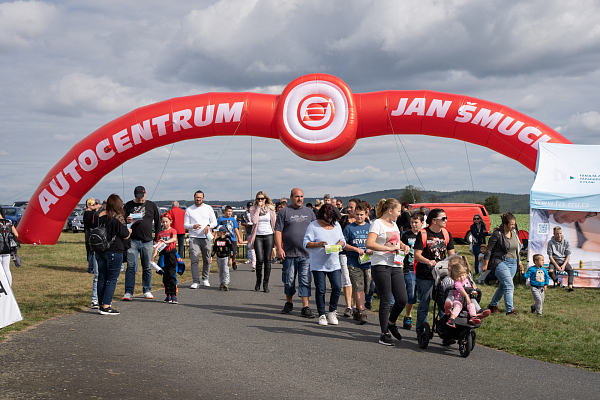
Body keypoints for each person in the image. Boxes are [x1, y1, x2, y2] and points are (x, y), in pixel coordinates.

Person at [366, 198, 411, 346]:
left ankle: (391, 323)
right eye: (398, 211)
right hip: (380, 265)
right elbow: (370, 243)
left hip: (395, 265)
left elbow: (396, 241)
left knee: (402, 299)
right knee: (385, 299)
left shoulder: (394, 224)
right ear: (390, 211)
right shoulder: (377, 223)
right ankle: (384, 333)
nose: (400, 214)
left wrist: (404, 246)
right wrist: (389, 248)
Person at [276, 188, 317, 318]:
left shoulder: (309, 212)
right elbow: (278, 231)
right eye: (296, 196)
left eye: (301, 196)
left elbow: (316, 230)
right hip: (289, 253)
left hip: (306, 253)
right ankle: (289, 303)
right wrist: (279, 248)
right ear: (291, 197)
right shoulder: (284, 211)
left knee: (305, 280)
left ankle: (305, 307)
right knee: (289, 280)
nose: (299, 199)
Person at [303, 204, 346, 326]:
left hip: (334, 263)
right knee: (321, 290)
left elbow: (343, 240)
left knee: (337, 287)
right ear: (322, 215)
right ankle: (322, 314)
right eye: (327, 217)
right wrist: (318, 244)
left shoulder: (336, 225)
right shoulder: (313, 226)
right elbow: (305, 243)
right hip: (318, 264)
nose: (329, 220)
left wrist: (341, 243)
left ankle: (332, 311)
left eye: (332, 218)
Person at [414, 208, 455, 334]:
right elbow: (417, 255)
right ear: (433, 220)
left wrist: (453, 264)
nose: (446, 220)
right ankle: (421, 331)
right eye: (443, 218)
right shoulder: (423, 234)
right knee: (424, 305)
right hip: (425, 275)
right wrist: (428, 261)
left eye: (446, 218)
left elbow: (451, 255)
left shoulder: (446, 234)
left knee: (444, 305)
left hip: (441, 275)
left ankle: (444, 332)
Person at [122, 186, 161, 301]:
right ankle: (128, 292)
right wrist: (126, 220)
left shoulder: (151, 205)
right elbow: (121, 220)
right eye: (138, 197)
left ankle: (147, 290)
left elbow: (158, 222)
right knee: (130, 267)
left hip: (147, 241)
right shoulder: (128, 205)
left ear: (145, 194)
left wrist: (156, 237)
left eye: (142, 196)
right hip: (132, 240)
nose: (140, 199)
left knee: (147, 267)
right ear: (134, 195)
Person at [96, 194, 131, 315]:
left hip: (100, 250)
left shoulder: (99, 216)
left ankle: (101, 304)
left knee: (102, 278)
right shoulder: (116, 219)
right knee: (112, 279)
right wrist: (129, 230)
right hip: (114, 250)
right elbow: (125, 234)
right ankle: (106, 306)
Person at [483, 212, 523, 315]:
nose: (513, 226)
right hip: (500, 261)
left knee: (503, 285)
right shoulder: (498, 233)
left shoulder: (515, 232)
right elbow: (489, 249)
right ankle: (510, 310)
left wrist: (520, 262)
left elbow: (517, 249)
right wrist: (486, 264)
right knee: (509, 285)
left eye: (514, 224)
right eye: (511, 224)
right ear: (505, 224)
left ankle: (492, 305)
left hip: (514, 263)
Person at [343, 202, 372, 325]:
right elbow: (344, 244)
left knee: (366, 287)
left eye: (361, 215)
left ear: (366, 214)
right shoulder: (349, 228)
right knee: (357, 285)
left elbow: (375, 241)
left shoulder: (370, 227)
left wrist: (371, 248)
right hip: (353, 261)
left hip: (367, 261)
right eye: (357, 214)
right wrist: (355, 249)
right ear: (353, 214)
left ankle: (357, 308)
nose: (359, 217)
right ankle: (361, 311)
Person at [184, 190, 217, 288]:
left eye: (200, 197)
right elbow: (185, 225)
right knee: (194, 259)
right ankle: (195, 281)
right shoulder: (189, 209)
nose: (198, 199)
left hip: (206, 237)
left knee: (207, 259)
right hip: (194, 237)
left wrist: (208, 226)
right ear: (194, 198)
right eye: (196, 197)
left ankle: (205, 278)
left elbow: (214, 222)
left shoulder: (208, 208)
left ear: (203, 198)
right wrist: (192, 226)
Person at [399, 211, 423, 330]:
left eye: (416, 222)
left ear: (422, 223)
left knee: (422, 296)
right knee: (411, 294)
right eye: (412, 222)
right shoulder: (406, 235)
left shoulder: (424, 235)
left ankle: (422, 319)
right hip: (409, 268)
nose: (413, 224)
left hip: (422, 269)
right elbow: (400, 248)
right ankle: (408, 316)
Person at [248, 191, 276, 292]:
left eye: (262, 198)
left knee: (267, 260)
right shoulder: (253, 208)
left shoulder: (271, 209)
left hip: (269, 235)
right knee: (259, 260)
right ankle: (258, 281)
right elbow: (254, 221)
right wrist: (258, 208)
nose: (260, 200)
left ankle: (266, 283)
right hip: (258, 236)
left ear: (265, 199)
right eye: (258, 198)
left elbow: (274, 223)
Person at [339, 198, 362, 317]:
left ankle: (356, 305)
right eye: (348, 207)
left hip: (360, 256)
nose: (348, 209)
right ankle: (348, 306)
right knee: (347, 279)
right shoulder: (343, 220)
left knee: (356, 280)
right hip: (344, 254)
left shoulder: (364, 221)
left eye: (351, 207)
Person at [446, 258, 482, 327]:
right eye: (459, 276)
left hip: (466, 301)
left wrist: (473, 289)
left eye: (463, 275)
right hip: (458, 300)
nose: (462, 278)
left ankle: (473, 317)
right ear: (454, 277)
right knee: (457, 306)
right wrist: (466, 296)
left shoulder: (466, 280)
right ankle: (451, 319)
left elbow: (470, 290)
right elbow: (460, 289)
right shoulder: (456, 282)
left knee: (472, 305)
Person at [152, 214, 178, 304]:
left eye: (166, 221)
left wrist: (166, 242)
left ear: (170, 221)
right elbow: (157, 247)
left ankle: (173, 295)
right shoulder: (160, 233)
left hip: (171, 255)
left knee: (171, 275)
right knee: (165, 276)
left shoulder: (173, 231)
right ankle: (167, 295)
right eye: (163, 222)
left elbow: (174, 239)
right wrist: (154, 257)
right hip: (163, 256)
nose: (165, 223)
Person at [83, 198, 100, 308]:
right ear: (90, 205)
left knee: (90, 251)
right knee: (92, 252)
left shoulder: (86, 213)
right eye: (94, 205)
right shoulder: (91, 214)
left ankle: (90, 267)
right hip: (90, 233)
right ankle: (91, 267)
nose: (95, 206)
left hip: (87, 233)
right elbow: (92, 224)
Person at [547, 226, 575, 291]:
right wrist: (556, 265)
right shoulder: (550, 242)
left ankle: (570, 287)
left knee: (571, 271)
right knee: (550, 271)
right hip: (554, 261)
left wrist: (564, 265)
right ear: (554, 234)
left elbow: (568, 255)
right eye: (557, 234)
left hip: (563, 261)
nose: (559, 235)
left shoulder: (566, 242)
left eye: (560, 233)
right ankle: (558, 283)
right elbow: (550, 256)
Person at [217, 206, 245, 270]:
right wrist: (216, 237)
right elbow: (217, 229)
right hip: (224, 238)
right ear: (225, 212)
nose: (229, 213)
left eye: (231, 212)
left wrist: (239, 238)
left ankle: (233, 260)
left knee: (234, 252)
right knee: (225, 252)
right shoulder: (220, 219)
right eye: (228, 211)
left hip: (232, 238)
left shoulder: (233, 219)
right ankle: (225, 265)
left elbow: (236, 229)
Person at [0, 206, 19, 286]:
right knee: (7, 269)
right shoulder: (9, 222)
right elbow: (16, 234)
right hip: (7, 249)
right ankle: (9, 287)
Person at [212, 226, 233, 291]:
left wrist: (231, 259)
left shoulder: (227, 240)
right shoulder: (217, 240)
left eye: (218, 232)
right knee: (220, 271)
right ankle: (222, 282)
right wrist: (211, 257)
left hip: (226, 257)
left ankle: (226, 283)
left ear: (221, 232)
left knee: (225, 270)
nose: (216, 233)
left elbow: (231, 249)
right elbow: (214, 249)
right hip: (219, 257)